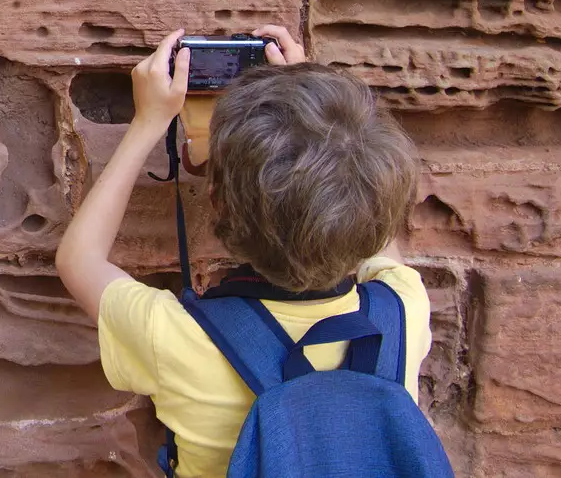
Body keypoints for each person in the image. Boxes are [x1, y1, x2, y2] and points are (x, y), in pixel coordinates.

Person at [55, 26, 431, 478]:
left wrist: (148, 121)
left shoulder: (178, 335)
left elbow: (79, 260)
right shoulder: (402, 311)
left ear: (216, 201)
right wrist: (309, 100)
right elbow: (372, 218)